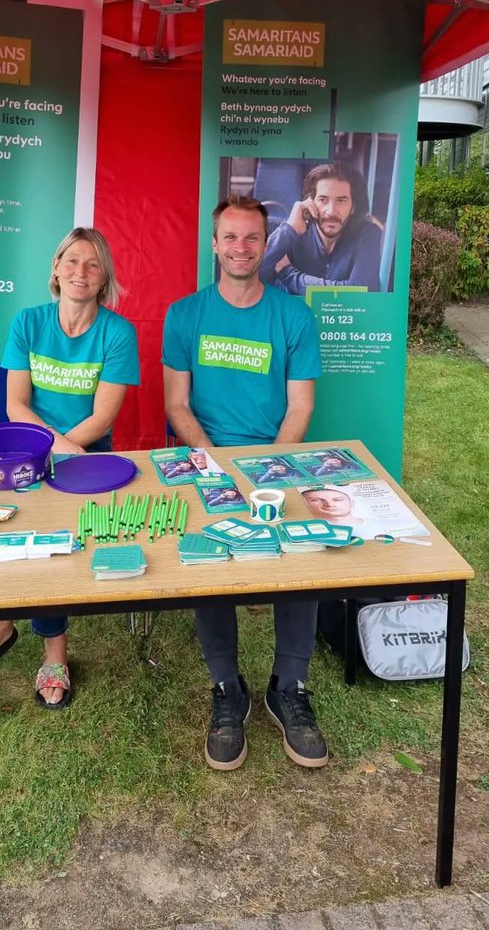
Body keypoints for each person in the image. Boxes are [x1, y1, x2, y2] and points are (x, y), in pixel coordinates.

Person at [0, 227, 139, 706]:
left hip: (88, 454)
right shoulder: (28, 323)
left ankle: (56, 653)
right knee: (8, 533)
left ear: (104, 274)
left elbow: (103, 418)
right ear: (56, 268)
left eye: (92, 264)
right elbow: (15, 406)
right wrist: (48, 454)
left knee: (59, 542)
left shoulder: (118, 332)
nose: (80, 272)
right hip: (26, 452)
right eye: (71, 261)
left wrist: (65, 455)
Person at [163, 195, 327, 771]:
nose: (240, 247)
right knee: (207, 559)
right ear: (214, 244)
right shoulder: (184, 316)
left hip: (277, 462)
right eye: (229, 237)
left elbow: (300, 407)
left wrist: (270, 474)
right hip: (207, 462)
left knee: (302, 551)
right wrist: (214, 465)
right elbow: (177, 406)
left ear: (266, 243)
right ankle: (226, 688)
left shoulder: (294, 317)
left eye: (251, 238)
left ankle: (290, 685)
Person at [260, 161, 383, 293]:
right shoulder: (292, 234)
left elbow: (360, 291)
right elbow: (248, 278)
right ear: (311, 202)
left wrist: (289, 275)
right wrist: (290, 229)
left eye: (341, 200)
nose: (331, 211)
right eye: (323, 200)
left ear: (353, 207)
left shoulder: (367, 233)